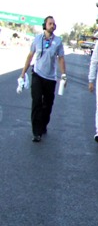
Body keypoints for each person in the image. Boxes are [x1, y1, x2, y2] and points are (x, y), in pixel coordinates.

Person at [20, 15, 67, 143]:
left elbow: (61, 58)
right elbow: (30, 56)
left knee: (48, 104)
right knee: (36, 102)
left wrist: (63, 75)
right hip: (37, 74)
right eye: (50, 23)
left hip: (50, 78)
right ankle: (36, 132)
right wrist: (23, 73)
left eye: (54, 23)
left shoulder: (58, 41)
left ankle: (43, 124)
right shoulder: (37, 39)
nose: (52, 25)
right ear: (45, 25)